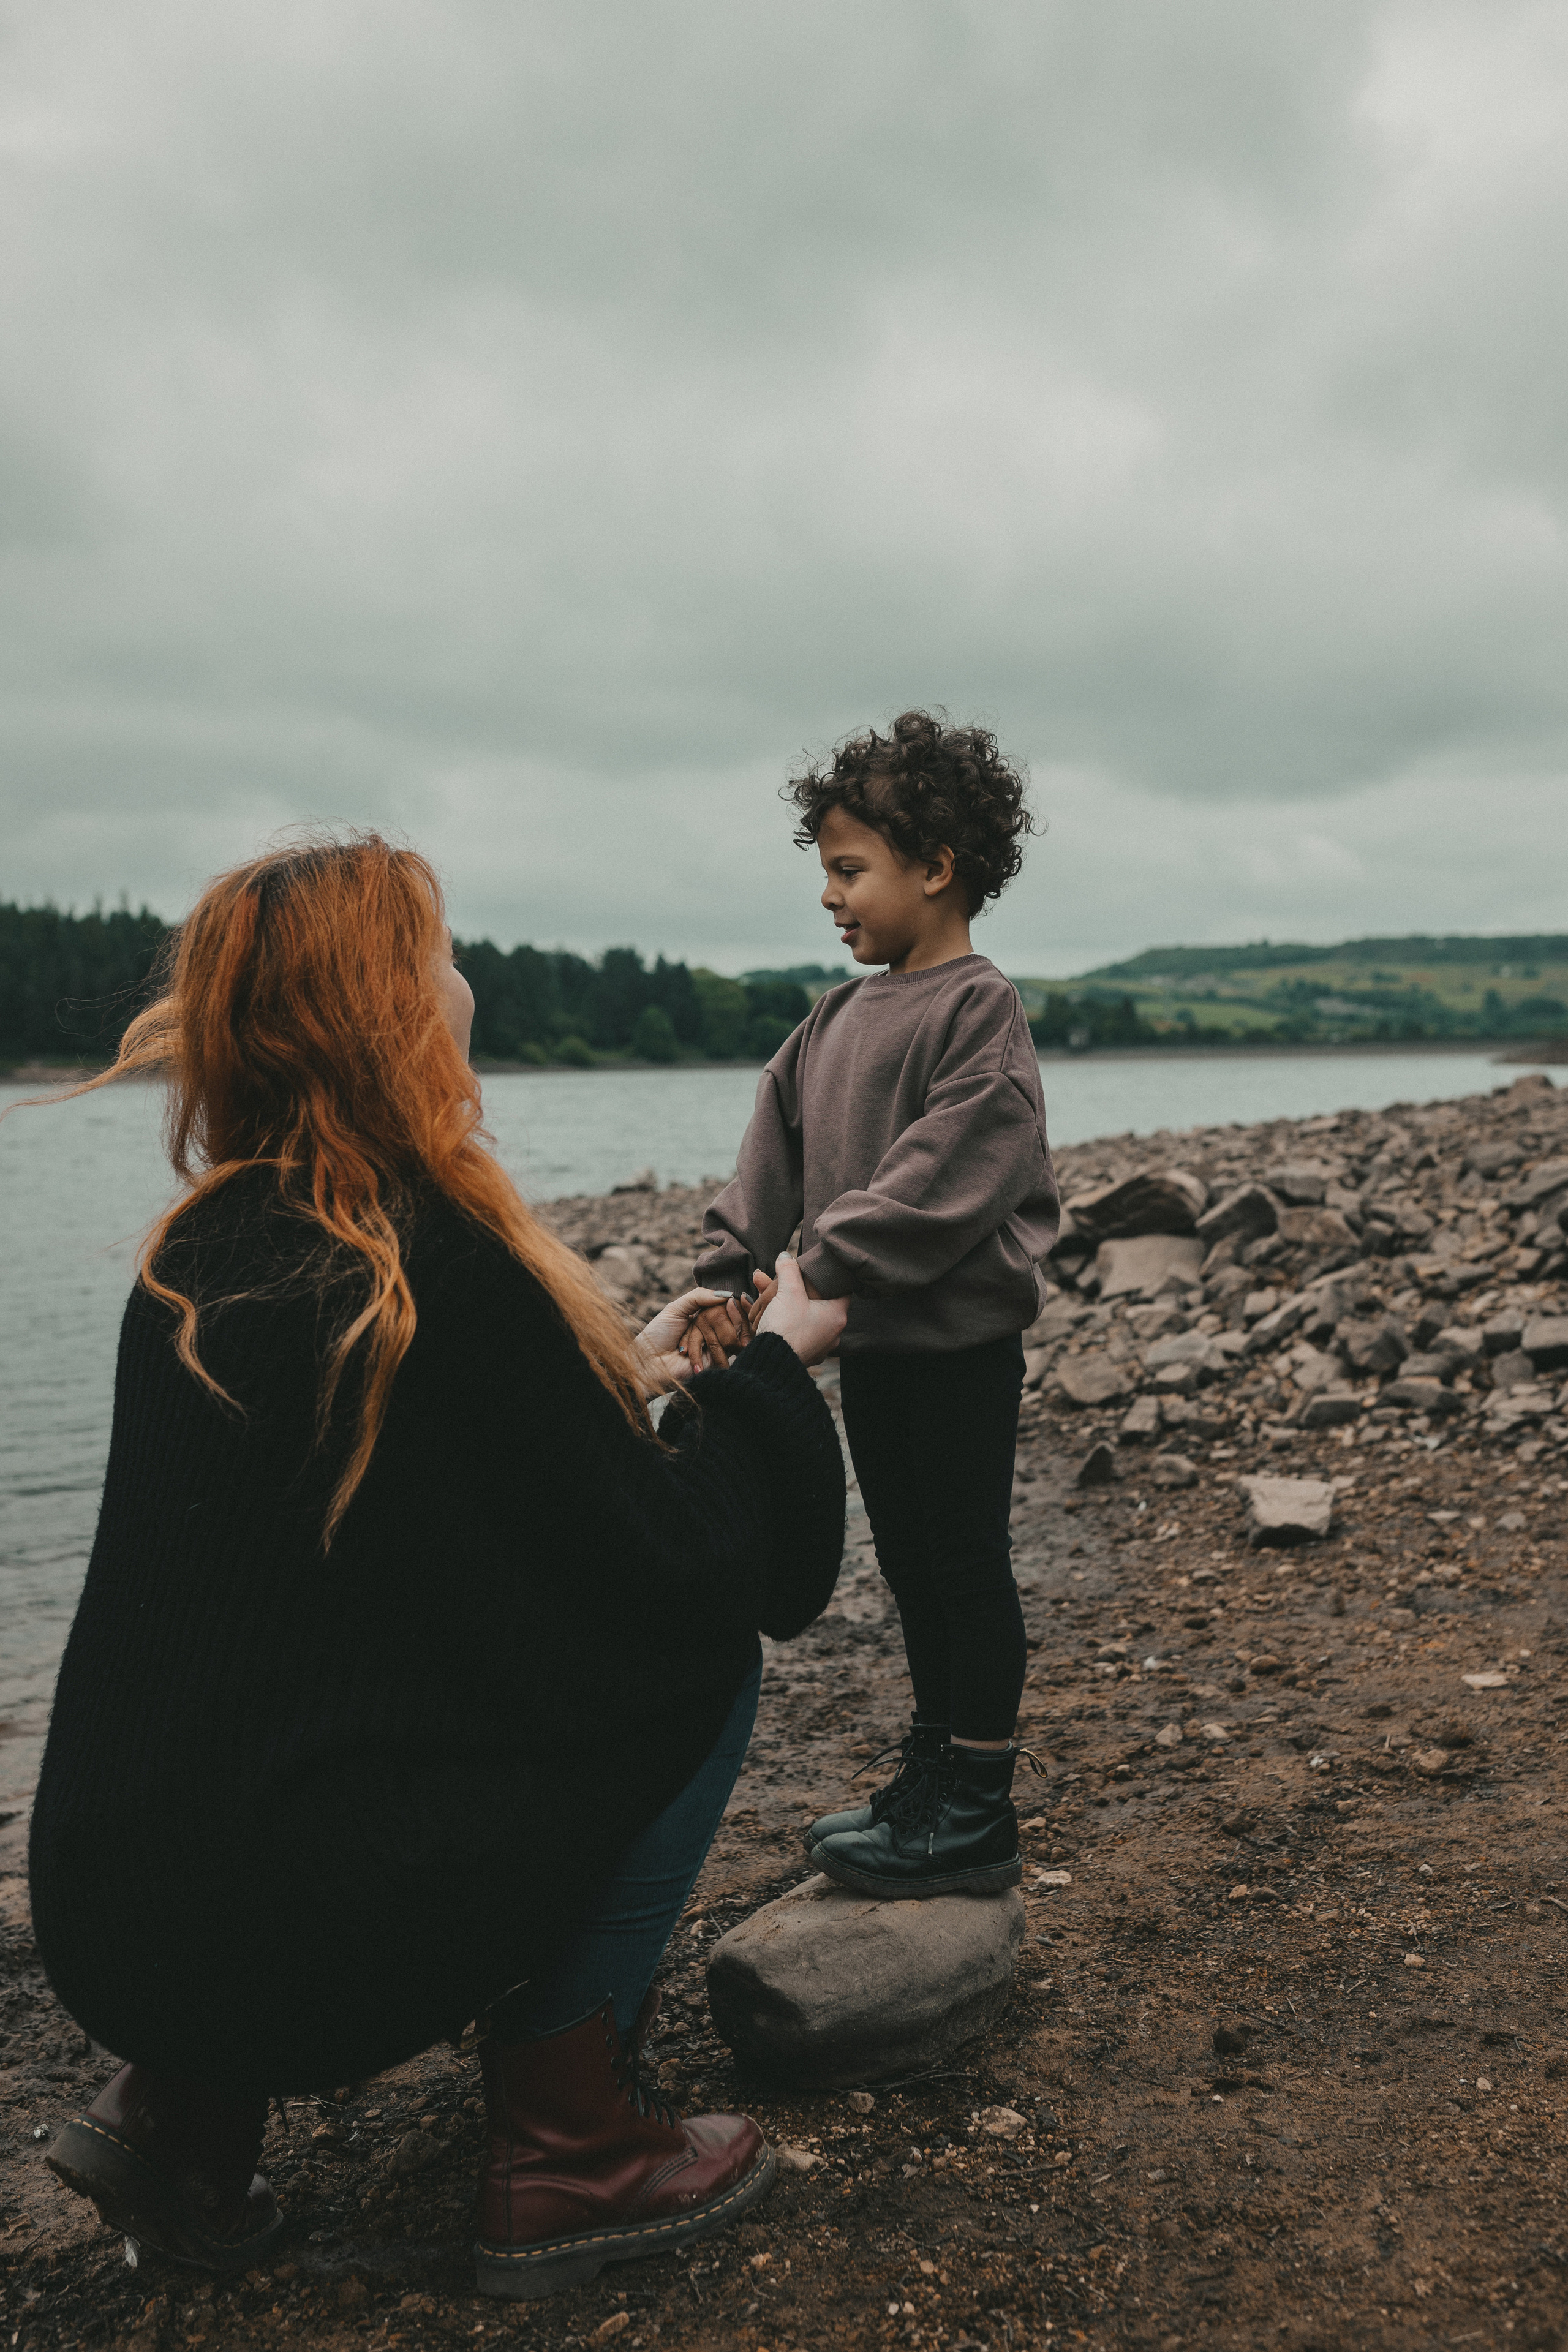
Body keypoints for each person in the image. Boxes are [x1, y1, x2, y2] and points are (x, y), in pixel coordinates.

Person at [21, 832, 847, 2300]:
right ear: (391, 1008)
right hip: (298, 1944)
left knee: (271, 1699)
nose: (465, 984)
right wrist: (769, 1371)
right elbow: (695, 1572)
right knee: (698, 1663)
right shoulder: (440, 1263)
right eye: (442, 956)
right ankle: (570, 2144)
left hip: (108, 1921)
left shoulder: (195, 1260)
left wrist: (624, 1375)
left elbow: (402, 1529)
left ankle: (179, 2109)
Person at [689, 711, 1058, 1899]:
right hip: (872, 1350)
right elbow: (772, 1145)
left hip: (957, 1351)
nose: (829, 898)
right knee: (906, 1564)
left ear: (934, 868)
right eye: (825, 874)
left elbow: (943, 1175)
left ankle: (978, 1804)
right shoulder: (833, 1018)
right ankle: (928, 1770)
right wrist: (725, 1264)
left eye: (849, 871)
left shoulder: (976, 1013)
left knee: (963, 1562)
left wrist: (818, 1267)